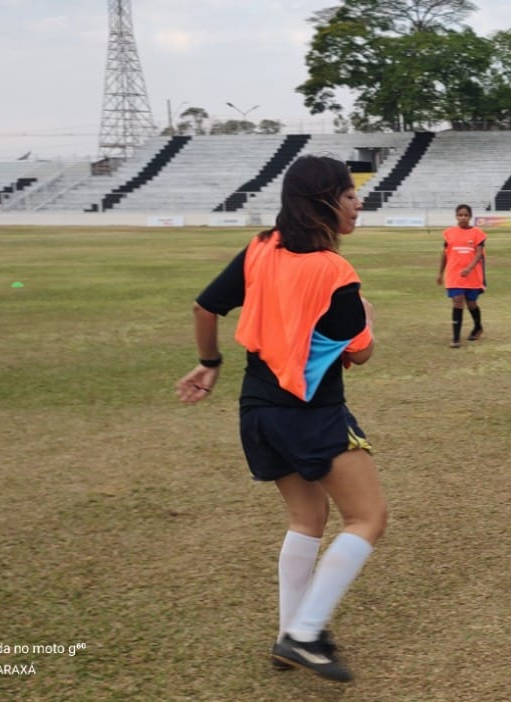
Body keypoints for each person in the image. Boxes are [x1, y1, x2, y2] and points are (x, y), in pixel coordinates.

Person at [175, 156, 385, 684]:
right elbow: (357, 354)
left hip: (257, 410)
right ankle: (306, 632)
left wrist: (209, 364)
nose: (358, 203)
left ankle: (289, 632)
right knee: (367, 518)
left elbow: (205, 308)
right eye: (349, 194)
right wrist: (370, 324)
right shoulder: (335, 272)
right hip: (310, 415)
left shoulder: (260, 248)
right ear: (323, 203)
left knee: (307, 519)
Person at [438, 203, 487, 348]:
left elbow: (479, 254)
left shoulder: (478, 233)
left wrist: (469, 268)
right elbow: (445, 254)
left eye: (466, 215)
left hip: (472, 275)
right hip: (454, 274)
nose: (463, 217)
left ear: (470, 217)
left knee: (471, 303)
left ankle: (478, 327)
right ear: (456, 216)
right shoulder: (449, 233)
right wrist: (440, 273)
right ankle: (455, 338)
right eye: (460, 215)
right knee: (458, 301)